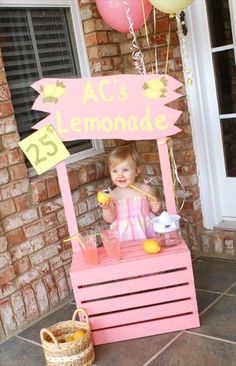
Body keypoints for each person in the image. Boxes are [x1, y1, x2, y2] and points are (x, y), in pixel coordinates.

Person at [99, 145, 160, 242]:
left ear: (136, 171)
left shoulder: (145, 189)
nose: (120, 175)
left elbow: (155, 210)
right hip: (124, 235)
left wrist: (156, 207)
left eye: (125, 170)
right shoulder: (112, 195)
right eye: (115, 171)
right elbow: (110, 219)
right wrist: (106, 209)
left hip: (147, 230)